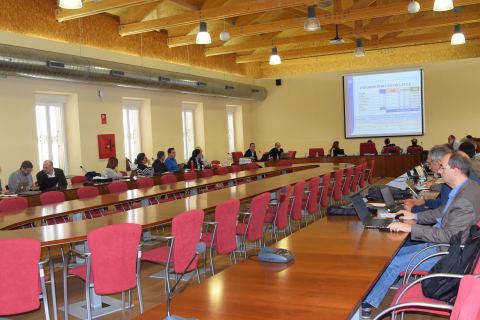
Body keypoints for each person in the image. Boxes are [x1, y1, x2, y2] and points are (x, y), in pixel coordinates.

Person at [362, 151, 480, 316]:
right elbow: (442, 212)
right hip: (444, 245)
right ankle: (378, 289)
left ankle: (366, 305)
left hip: (448, 254)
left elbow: (448, 236)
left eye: (442, 167)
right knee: (395, 253)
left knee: (394, 263)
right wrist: (415, 216)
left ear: (455, 170)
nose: (439, 171)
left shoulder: (464, 200)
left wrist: (411, 228)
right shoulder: (467, 187)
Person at [403, 145, 453, 212]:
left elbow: (441, 215)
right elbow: (442, 203)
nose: (429, 167)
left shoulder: (450, 182)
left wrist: (413, 209)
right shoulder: (452, 179)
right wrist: (424, 202)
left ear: (438, 162)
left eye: (429, 164)